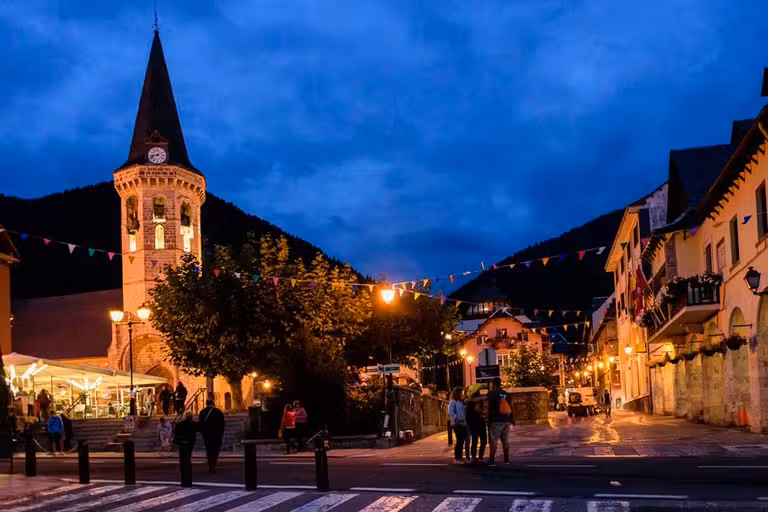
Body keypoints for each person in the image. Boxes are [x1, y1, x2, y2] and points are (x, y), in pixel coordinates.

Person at [486, 377, 513, 466]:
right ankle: (506, 460)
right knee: (505, 441)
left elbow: (487, 404)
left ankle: (492, 460)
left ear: (493, 384)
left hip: (495, 420)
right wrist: (511, 420)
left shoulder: (491, 394)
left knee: (493, 440)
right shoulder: (506, 394)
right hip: (506, 420)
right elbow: (511, 406)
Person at [199, 400, 225, 472]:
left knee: (209, 449)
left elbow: (200, 424)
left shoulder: (202, 412)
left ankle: (210, 463)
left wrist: (203, 433)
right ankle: (214, 463)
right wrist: (221, 432)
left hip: (207, 435)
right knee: (215, 449)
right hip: (216, 434)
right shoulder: (218, 411)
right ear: (213, 404)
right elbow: (222, 423)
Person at [465, 388, 487, 465]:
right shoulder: (473, 401)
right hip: (477, 422)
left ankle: (475, 457)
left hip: (474, 422)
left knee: (476, 440)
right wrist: (483, 412)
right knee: (481, 440)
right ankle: (478, 457)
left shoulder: (470, 402)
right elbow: (477, 409)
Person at [448, 387, 468, 464]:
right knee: (459, 441)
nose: (462, 394)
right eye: (461, 393)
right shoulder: (453, 402)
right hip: (457, 423)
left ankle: (459, 457)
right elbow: (451, 412)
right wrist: (457, 419)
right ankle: (457, 459)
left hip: (462, 423)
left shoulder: (460, 402)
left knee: (461, 441)